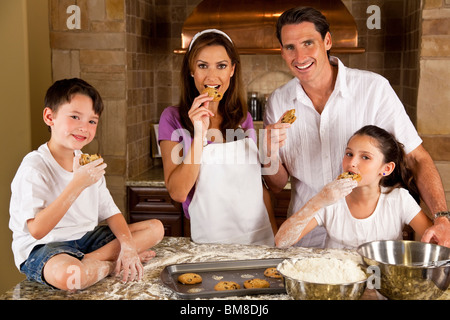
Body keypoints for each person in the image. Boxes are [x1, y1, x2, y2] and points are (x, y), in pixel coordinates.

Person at [263, 7, 449, 248]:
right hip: (304, 242)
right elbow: (277, 185)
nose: (299, 56)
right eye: (290, 47)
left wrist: (442, 217)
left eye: (308, 43)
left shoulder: (374, 89)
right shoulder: (278, 102)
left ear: (327, 40)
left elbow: (416, 158)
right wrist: (269, 153)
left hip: (369, 247)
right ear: (282, 51)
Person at [9, 78, 164, 291]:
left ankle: (92, 261)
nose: (84, 127)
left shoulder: (88, 162)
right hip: (45, 247)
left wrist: (128, 247)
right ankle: (110, 265)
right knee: (72, 277)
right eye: (75, 117)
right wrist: (77, 184)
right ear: (49, 117)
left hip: (86, 239)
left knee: (155, 228)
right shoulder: (34, 166)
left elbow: (111, 213)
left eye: (92, 121)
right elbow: (36, 230)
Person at [158, 29, 276, 245]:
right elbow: (178, 192)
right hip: (210, 241)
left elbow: (259, 186)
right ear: (191, 70)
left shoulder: (243, 118)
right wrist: (200, 133)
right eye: (202, 65)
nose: (211, 77)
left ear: (232, 70)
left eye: (221, 66)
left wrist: (276, 241)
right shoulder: (173, 119)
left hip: (259, 237)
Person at [275, 125, 433, 249]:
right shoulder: (329, 198)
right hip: (337, 284)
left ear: (386, 169)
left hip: (382, 285)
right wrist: (319, 200)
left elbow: (436, 240)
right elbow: (281, 241)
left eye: (365, 157)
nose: (352, 163)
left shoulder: (399, 200)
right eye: (349, 154)